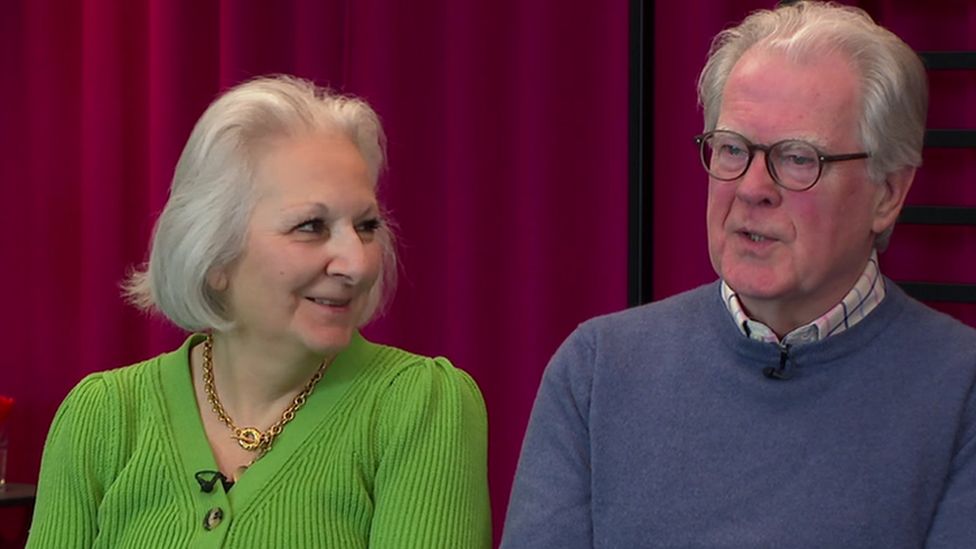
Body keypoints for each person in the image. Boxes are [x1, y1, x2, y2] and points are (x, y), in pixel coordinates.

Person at [502, 2, 976, 548]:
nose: (752, 188)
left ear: (888, 192)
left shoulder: (960, 392)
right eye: (732, 150)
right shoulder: (596, 371)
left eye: (798, 158)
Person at [27, 75, 491, 548]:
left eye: (366, 225)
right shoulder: (102, 415)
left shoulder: (421, 405)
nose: (357, 262)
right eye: (311, 226)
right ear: (213, 255)